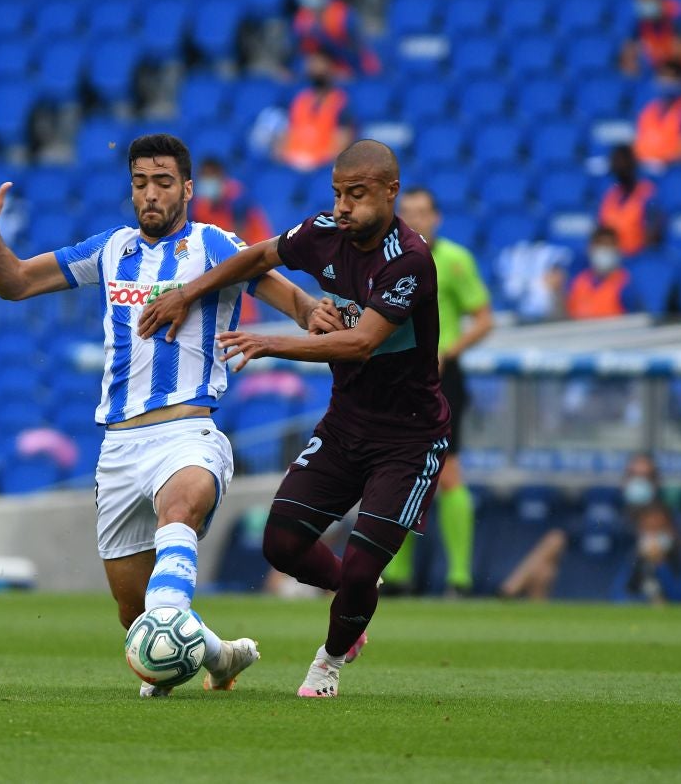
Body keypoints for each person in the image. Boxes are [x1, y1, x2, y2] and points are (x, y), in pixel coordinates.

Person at [0, 133, 322, 698]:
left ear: (186, 188)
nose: (149, 194)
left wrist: (316, 313)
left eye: (161, 182)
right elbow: (14, 283)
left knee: (179, 507)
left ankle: (177, 634)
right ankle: (219, 655)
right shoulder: (110, 250)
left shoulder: (217, 246)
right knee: (136, 620)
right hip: (120, 447)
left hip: (188, 432)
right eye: (139, 183)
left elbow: (293, 301)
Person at [139, 140, 451, 698]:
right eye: (338, 193)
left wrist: (270, 341)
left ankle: (328, 663)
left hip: (408, 438)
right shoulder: (325, 231)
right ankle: (356, 596)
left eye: (357, 195)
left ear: (389, 192)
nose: (345, 205)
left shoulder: (409, 260)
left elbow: (359, 343)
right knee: (280, 543)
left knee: (358, 567)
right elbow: (258, 257)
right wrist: (188, 292)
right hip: (346, 425)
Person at [380, 188, 493, 596]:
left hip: (442, 378)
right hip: (398, 374)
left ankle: (459, 577)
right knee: (401, 471)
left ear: (437, 217)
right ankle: (397, 576)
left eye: (422, 212)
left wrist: (448, 351)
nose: (414, 219)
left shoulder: (455, 260)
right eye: (407, 212)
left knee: (447, 471)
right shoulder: (388, 257)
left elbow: (483, 319)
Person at [501, 452, 665, 600]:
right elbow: (594, 524)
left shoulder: (664, 514)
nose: (637, 482)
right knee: (546, 564)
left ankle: (509, 590)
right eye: (633, 475)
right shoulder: (616, 510)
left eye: (644, 477)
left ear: (655, 482)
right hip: (600, 572)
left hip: (635, 582)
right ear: (624, 480)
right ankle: (509, 591)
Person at [191, 157, 276, 323]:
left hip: (246, 268)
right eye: (204, 177)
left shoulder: (240, 201)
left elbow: (254, 243)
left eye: (211, 176)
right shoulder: (200, 206)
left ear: (222, 177)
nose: (207, 182)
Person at [611, 501, 681, 604]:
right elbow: (618, 593)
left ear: (671, 529)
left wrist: (660, 563)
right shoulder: (638, 553)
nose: (653, 535)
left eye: (659, 528)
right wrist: (646, 601)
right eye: (648, 529)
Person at [290, 0, 381, 79]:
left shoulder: (343, 15)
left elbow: (360, 51)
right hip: (318, 75)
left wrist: (332, 66)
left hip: (351, 71)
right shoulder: (300, 18)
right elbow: (299, 53)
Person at [277, 49, 355, 172]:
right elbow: (284, 136)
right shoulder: (299, 100)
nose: (315, 67)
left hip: (320, 168)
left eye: (321, 63)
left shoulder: (340, 102)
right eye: (313, 63)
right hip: (292, 165)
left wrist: (316, 166)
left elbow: (341, 144)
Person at [633, 60, 681, 166]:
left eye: (671, 78)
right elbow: (638, 142)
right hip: (643, 168)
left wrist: (663, 161)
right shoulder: (648, 110)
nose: (666, 82)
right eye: (663, 76)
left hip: (672, 170)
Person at [563, 226, 640, 320]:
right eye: (600, 245)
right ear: (590, 249)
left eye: (609, 245)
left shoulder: (626, 285)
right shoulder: (578, 283)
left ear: (618, 249)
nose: (604, 250)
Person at [598, 145, 662, 257]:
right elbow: (601, 229)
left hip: (638, 257)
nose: (620, 167)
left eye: (624, 162)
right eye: (616, 163)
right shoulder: (609, 196)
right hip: (613, 259)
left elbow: (654, 230)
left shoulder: (647, 192)